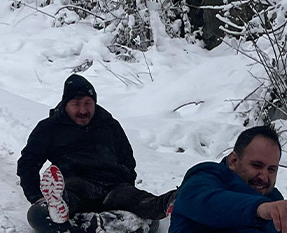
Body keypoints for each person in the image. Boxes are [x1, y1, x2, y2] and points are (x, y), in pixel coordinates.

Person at [17, 74, 176, 224]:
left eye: (88, 103)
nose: (83, 110)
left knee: (139, 200)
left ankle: (172, 201)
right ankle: (58, 204)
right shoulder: (50, 128)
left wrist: (127, 184)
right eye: (76, 104)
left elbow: (127, 159)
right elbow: (28, 163)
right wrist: (37, 198)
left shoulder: (109, 125)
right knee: (71, 197)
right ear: (66, 104)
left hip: (113, 186)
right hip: (77, 183)